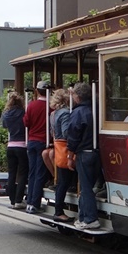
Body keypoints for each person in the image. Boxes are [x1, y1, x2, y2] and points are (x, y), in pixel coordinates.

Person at [67, 82, 101, 230]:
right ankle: (83, 217)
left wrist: (70, 155)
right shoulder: (97, 110)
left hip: (84, 153)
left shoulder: (78, 112)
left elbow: (73, 135)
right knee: (90, 186)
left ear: (78, 97)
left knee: (85, 187)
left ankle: (90, 218)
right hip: (97, 152)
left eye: (74, 94)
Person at [23, 80, 53, 214]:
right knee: (40, 173)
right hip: (43, 141)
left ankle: (29, 202)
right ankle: (35, 203)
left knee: (32, 172)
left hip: (31, 141)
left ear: (37, 91)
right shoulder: (50, 107)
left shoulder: (31, 105)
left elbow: (26, 122)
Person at [47, 88, 75, 222]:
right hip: (64, 148)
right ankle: (59, 211)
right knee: (64, 182)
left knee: (61, 181)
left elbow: (53, 132)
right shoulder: (65, 113)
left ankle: (59, 210)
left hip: (57, 147)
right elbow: (66, 133)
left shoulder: (53, 114)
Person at [1, 91, 28, 210]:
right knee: (22, 173)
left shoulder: (6, 114)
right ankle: (18, 200)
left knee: (11, 173)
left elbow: (4, 126)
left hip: (10, 145)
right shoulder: (23, 113)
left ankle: (12, 200)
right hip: (22, 145)